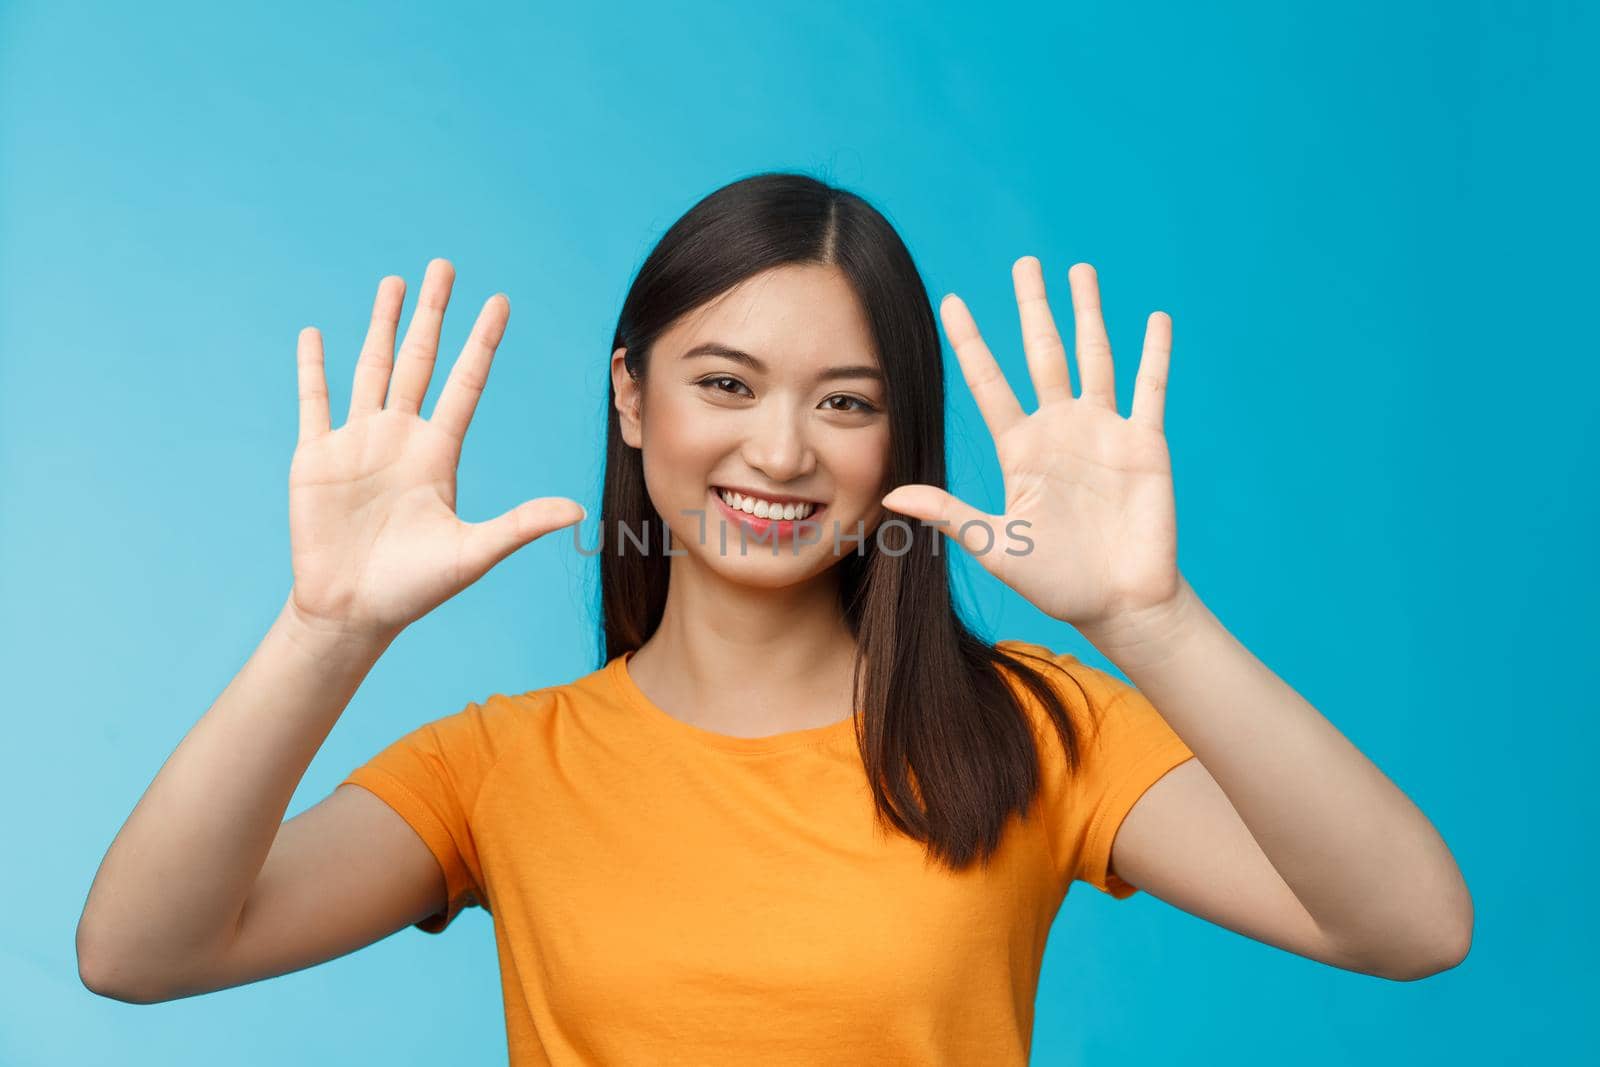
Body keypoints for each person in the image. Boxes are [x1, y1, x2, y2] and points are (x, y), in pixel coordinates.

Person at [75, 172, 1472, 1063]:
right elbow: (139, 955)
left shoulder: (1036, 729)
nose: (783, 453)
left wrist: (1150, 618)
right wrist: (327, 630)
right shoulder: (501, 769)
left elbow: (1411, 926)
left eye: (846, 402)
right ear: (633, 401)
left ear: (897, 438)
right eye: (725, 385)